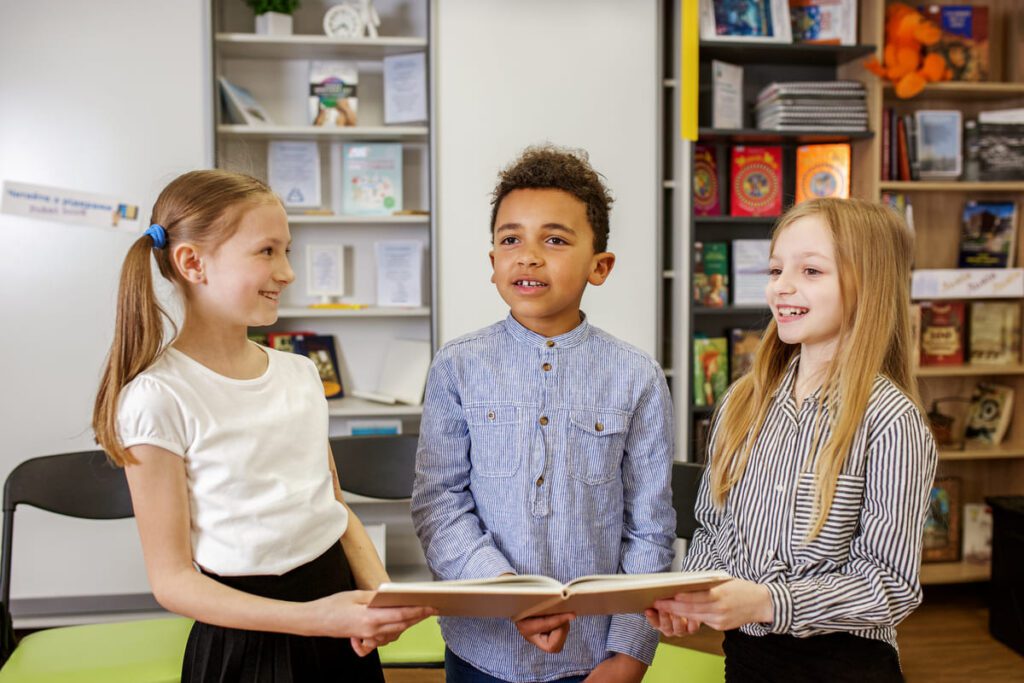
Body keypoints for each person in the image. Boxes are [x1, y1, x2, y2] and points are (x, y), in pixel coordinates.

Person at [91, 169, 433, 682]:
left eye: (286, 251)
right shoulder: (158, 396)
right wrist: (316, 619)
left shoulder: (301, 373)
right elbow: (173, 581)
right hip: (247, 646)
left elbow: (334, 508)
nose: (287, 272)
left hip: (339, 627)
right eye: (266, 251)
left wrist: (382, 596)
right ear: (192, 263)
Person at [411, 145, 676, 683]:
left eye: (554, 240)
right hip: (482, 647)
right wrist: (508, 594)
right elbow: (438, 505)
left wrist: (630, 653)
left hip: (595, 654)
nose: (528, 256)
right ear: (492, 262)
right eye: (511, 239)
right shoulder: (457, 366)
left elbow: (650, 529)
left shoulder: (638, 376)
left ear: (600, 266)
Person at [645, 197, 938, 682]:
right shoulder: (743, 401)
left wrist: (766, 601)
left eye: (811, 271)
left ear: (868, 284)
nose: (781, 286)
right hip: (746, 661)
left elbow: (890, 584)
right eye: (776, 269)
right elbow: (714, 529)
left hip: (845, 667)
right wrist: (694, 592)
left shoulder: (890, 420)